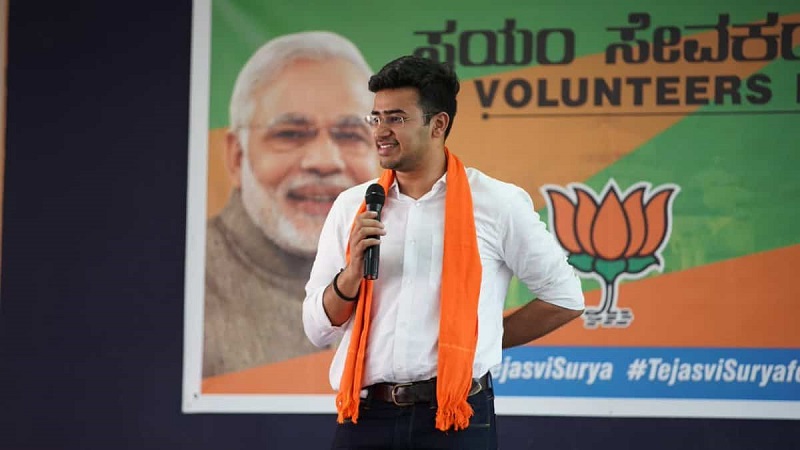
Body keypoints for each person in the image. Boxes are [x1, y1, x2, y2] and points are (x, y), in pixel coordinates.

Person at [302, 55, 586, 449]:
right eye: (376, 118)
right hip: (366, 417)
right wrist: (350, 276)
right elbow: (316, 328)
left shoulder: (497, 203)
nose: (381, 131)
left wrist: (478, 339)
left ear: (438, 124)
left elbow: (565, 299)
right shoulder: (354, 206)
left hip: (456, 416)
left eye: (396, 118)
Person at [203, 31, 379, 378]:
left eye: (350, 135)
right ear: (237, 157)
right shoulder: (192, 277)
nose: (324, 161)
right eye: (291, 134)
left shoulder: (402, 264)